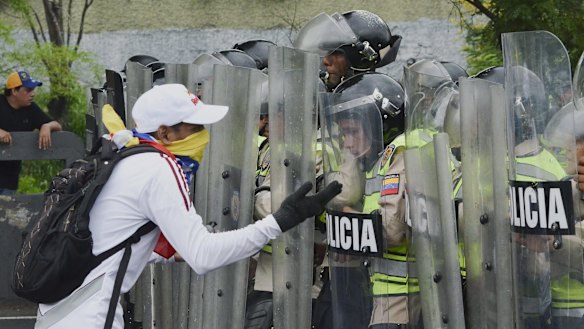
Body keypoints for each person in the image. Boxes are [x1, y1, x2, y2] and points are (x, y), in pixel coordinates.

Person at [33, 83, 342, 329]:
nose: (203, 135)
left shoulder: (123, 156)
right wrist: (279, 220)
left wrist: (171, 255)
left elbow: (112, 241)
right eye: (194, 127)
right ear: (165, 133)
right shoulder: (159, 167)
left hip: (59, 312)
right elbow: (203, 255)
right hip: (92, 316)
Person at [293, 10, 402, 91]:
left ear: (362, 59)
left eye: (336, 53)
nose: (326, 61)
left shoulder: (380, 101)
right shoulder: (316, 90)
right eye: (326, 51)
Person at [0, 70, 62, 195]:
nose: (32, 94)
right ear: (14, 91)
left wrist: (47, 126)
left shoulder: (31, 108)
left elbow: (58, 126)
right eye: (28, 90)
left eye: (33, 90)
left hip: (9, 180)